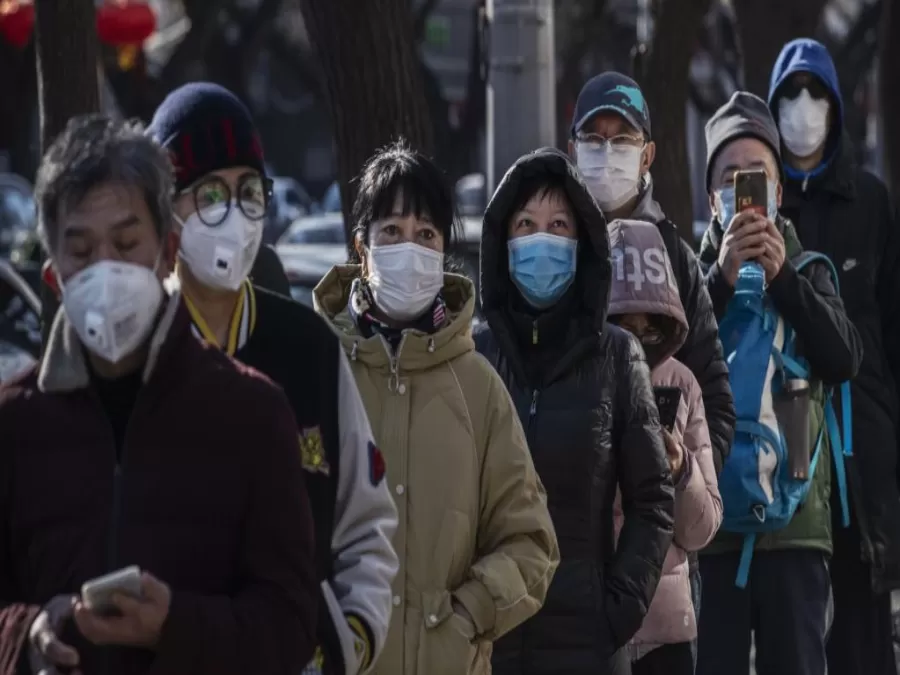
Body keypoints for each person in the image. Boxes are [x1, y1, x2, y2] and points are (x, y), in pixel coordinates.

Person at [0, 114, 318, 675]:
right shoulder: (16, 423)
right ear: (54, 277)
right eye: (81, 251)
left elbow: (290, 627)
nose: (105, 270)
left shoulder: (251, 414)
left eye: (126, 244)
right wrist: (28, 635)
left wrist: (175, 625)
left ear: (168, 251)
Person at [147, 82, 399, 675]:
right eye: (210, 193)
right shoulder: (140, 355)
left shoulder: (308, 348)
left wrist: (349, 640)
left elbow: (366, 524)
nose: (234, 213)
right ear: (166, 209)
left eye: (249, 191)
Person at [312, 140, 559, 675]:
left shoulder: (477, 386)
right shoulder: (316, 373)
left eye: (426, 234)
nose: (410, 248)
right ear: (361, 248)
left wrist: (467, 615)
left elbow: (531, 541)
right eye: (392, 232)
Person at [474, 147, 675, 675]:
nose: (541, 239)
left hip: (587, 647)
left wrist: (616, 611)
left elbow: (653, 499)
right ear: (503, 241)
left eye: (558, 225)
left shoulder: (618, 356)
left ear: (582, 241)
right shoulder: (473, 358)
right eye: (526, 224)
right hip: (489, 642)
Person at [695, 91, 863, 675]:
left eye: (757, 176)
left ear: (778, 192)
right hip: (711, 527)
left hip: (795, 529)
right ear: (711, 198)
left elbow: (844, 360)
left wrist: (783, 277)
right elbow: (668, 360)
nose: (743, 190)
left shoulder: (809, 269)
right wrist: (718, 281)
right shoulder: (691, 278)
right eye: (729, 179)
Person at [768, 38, 900, 675]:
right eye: (790, 93)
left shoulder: (869, 202)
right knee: (794, 635)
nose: (803, 106)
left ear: (836, 105)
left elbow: (891, 329)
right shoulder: (760, 206)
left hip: (861, 453)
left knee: (863, 637)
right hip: (785, 444)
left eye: (815, 91)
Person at [569, 72, 734, 474]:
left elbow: (715, 401)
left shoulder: (672, 257)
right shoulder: (555, 245)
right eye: (593, 138)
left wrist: (683, 475)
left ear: (647, 155)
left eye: (623, 139)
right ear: (572, 150)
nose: (607, 152)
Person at [606, 218, 723, 675]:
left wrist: (679, 470)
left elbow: (702, 529)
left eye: (649, 330)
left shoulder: (682, 383)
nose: (636, 344)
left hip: (666, 630)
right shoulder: (581, 376)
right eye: (622, 327)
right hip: (596, 624)